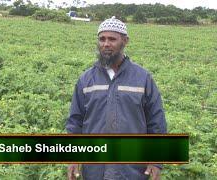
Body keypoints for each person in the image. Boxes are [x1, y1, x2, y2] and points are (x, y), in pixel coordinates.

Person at [66, 16, 167, 180]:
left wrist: (156, 161)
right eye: (102, 39)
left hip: (132, 169)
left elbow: (156, 121)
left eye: (112, 39)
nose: (106, 44)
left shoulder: (142, 78)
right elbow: (75, 121)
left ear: (125, 41)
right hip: (94, 169)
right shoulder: (86, 79)